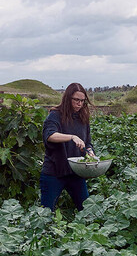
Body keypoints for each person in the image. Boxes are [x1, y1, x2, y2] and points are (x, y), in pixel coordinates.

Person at [40, 83, 96, 211]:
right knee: (46, 214)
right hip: (54, 172)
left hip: (76, 172)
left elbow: (87, 142)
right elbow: (50, 135)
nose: (79, 104)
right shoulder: (55, 115)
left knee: (87, 210)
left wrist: (90, 152)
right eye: (76, 100)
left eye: (82, 100)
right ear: (68, 98)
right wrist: (71, 137)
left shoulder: (83, 118)